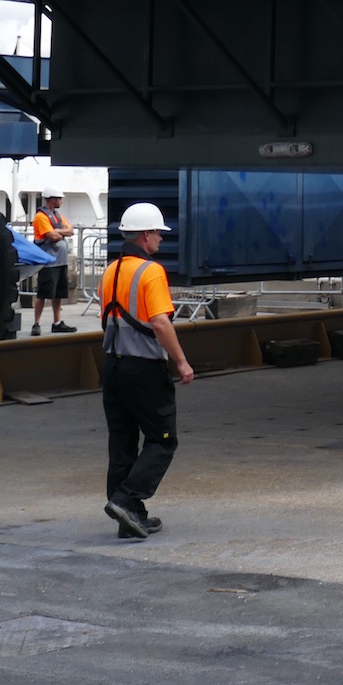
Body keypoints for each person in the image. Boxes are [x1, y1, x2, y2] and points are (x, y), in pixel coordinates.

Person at [99, 202, 194, 540]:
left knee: (122, 440)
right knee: (162, 439)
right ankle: (127, 499)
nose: (160, 239)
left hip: (112, 366)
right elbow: (158, 321)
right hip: (143, 369)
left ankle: (130, 515)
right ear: (144, 235)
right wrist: (181, 362)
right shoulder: (151, 272)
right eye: (156, 233)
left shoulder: (111, 270)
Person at [30, 192, 76, 336]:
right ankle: (36, 323)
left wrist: (57, 230)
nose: (61, 201)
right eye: (60, 199)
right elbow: (52, 236)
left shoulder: (57, 216)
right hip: (48, 262)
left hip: (61, 262)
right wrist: (60, 232)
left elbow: (71, 230)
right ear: (53, 199)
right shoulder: (40, 217)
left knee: (58, 294)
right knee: (42, 293)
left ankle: (57, 322)